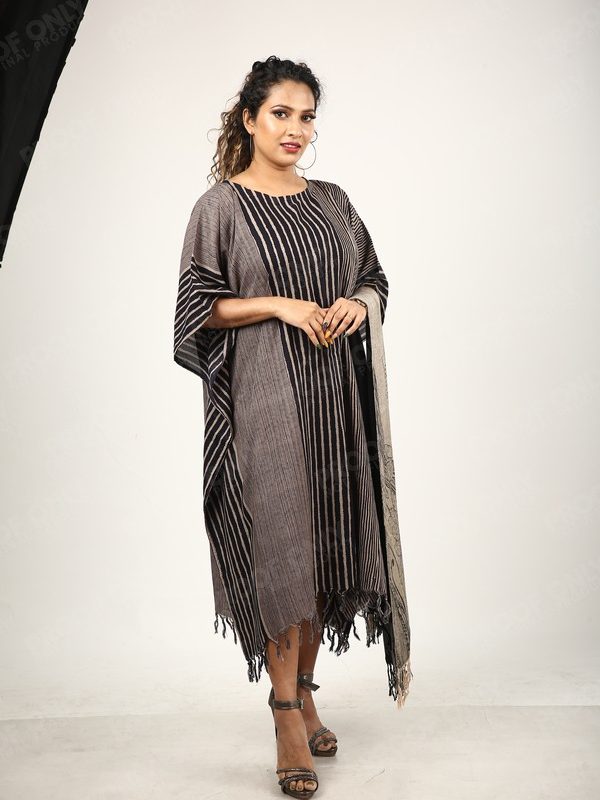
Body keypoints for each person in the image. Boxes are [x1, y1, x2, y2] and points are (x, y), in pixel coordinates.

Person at [173, 55, 412, 798]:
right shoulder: (220, 207)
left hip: (338, 401)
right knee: (282, 542)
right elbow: (196, 308)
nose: (296, 130)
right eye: (281, 113)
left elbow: (374, 277)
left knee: (328, 543)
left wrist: (356, 305)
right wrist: (279, 305)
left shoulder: (333, 202)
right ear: (249, 119)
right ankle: (284, 713)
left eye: (307, 117)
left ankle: (306, 691)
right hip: (267, 402)